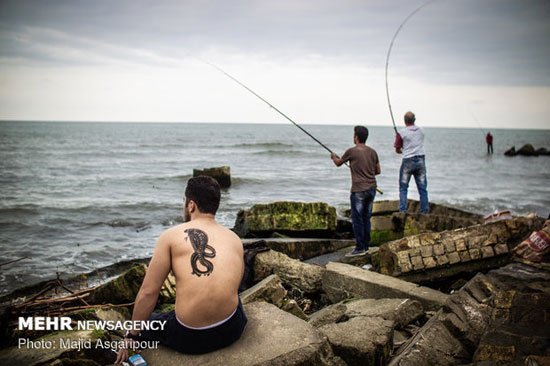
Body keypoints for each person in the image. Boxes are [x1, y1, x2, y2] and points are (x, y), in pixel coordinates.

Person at [116, 176, 247, 363]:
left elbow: (148, 292)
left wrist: (132, 335)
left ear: (191, 205)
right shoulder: (234, 238)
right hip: (231, 329)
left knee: (149, 320)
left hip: (190, 338)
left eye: (184, 202)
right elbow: (235, 284)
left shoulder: (170, 236)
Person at [331, 126, 381, 257]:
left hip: (359, 190)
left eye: (354, 135)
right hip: (371, 189)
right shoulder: (373, 152)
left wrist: (333, 157)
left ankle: (359, 248)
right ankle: (365, 246)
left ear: (356, 137)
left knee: (357, 219)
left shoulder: (351, 151)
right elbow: (378, 171)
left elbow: (338, 163)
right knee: (366, 218)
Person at [394, 111, 429, 214]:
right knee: (422, 188)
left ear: (405, 120)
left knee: (403, 187)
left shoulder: (401, 133)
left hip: (408, 160)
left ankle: (403, 210)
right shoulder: (421, 130)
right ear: (414, 120)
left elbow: (397, 149)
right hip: (420, 159)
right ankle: (424, 211)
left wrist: (402, 150)